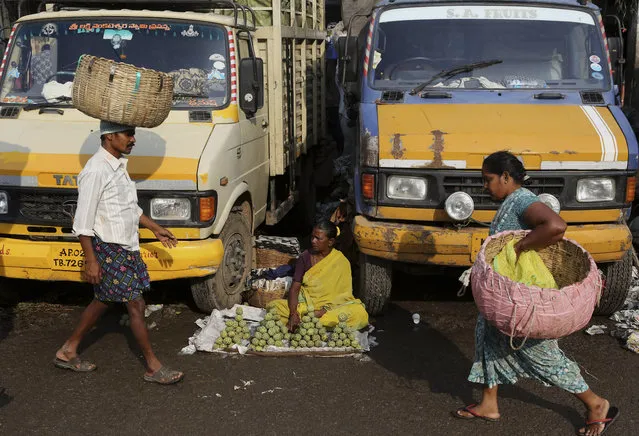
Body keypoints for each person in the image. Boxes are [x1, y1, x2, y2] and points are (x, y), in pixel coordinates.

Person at [453, 151, 618, 436]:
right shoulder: (511, 201)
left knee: (541, 355)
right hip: (505, 296)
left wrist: (520, 247)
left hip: (521, 301)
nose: (485, 186)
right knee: (488, 336)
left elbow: (555, 226)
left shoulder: (523, 200)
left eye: (488, 179)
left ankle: (596, 403)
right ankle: (488, 403)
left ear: (506, 177)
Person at [54, 121, 184, 385]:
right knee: (135, 303)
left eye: (133, 134)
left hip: (126, 245)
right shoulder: (96, 170)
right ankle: (153, 367)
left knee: (103, 299)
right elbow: (82, 222)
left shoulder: (118, 166)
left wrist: (156, 228)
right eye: (128, 134)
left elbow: (129, 209)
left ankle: (67, 350)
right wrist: (91, 261)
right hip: (109, 247)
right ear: (109, 136)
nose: (133, 139)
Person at [267, 220, 368, 331]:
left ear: (330, 242)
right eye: (312, 237)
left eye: (318, 238)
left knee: (360, 314)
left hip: (332, 309)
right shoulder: (305, 257)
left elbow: (343, 296)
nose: (313, 241)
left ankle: (311, 323)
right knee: (274, 307)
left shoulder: (341, 261)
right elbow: (295, 288)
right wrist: (293, 314)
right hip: (307, 307)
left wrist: (324, 310)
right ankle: (313, 323)